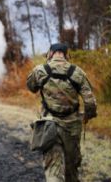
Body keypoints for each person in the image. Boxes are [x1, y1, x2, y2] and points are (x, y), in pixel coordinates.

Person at [26, 43, 97, 182]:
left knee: (53, 168)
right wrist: (88, 116)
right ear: (66, 54)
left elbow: (31, 87)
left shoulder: (40, 70)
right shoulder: (77, 72)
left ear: (50, 53)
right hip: (72, 127)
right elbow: (90, 102)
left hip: (49, 125)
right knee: (72, 167)